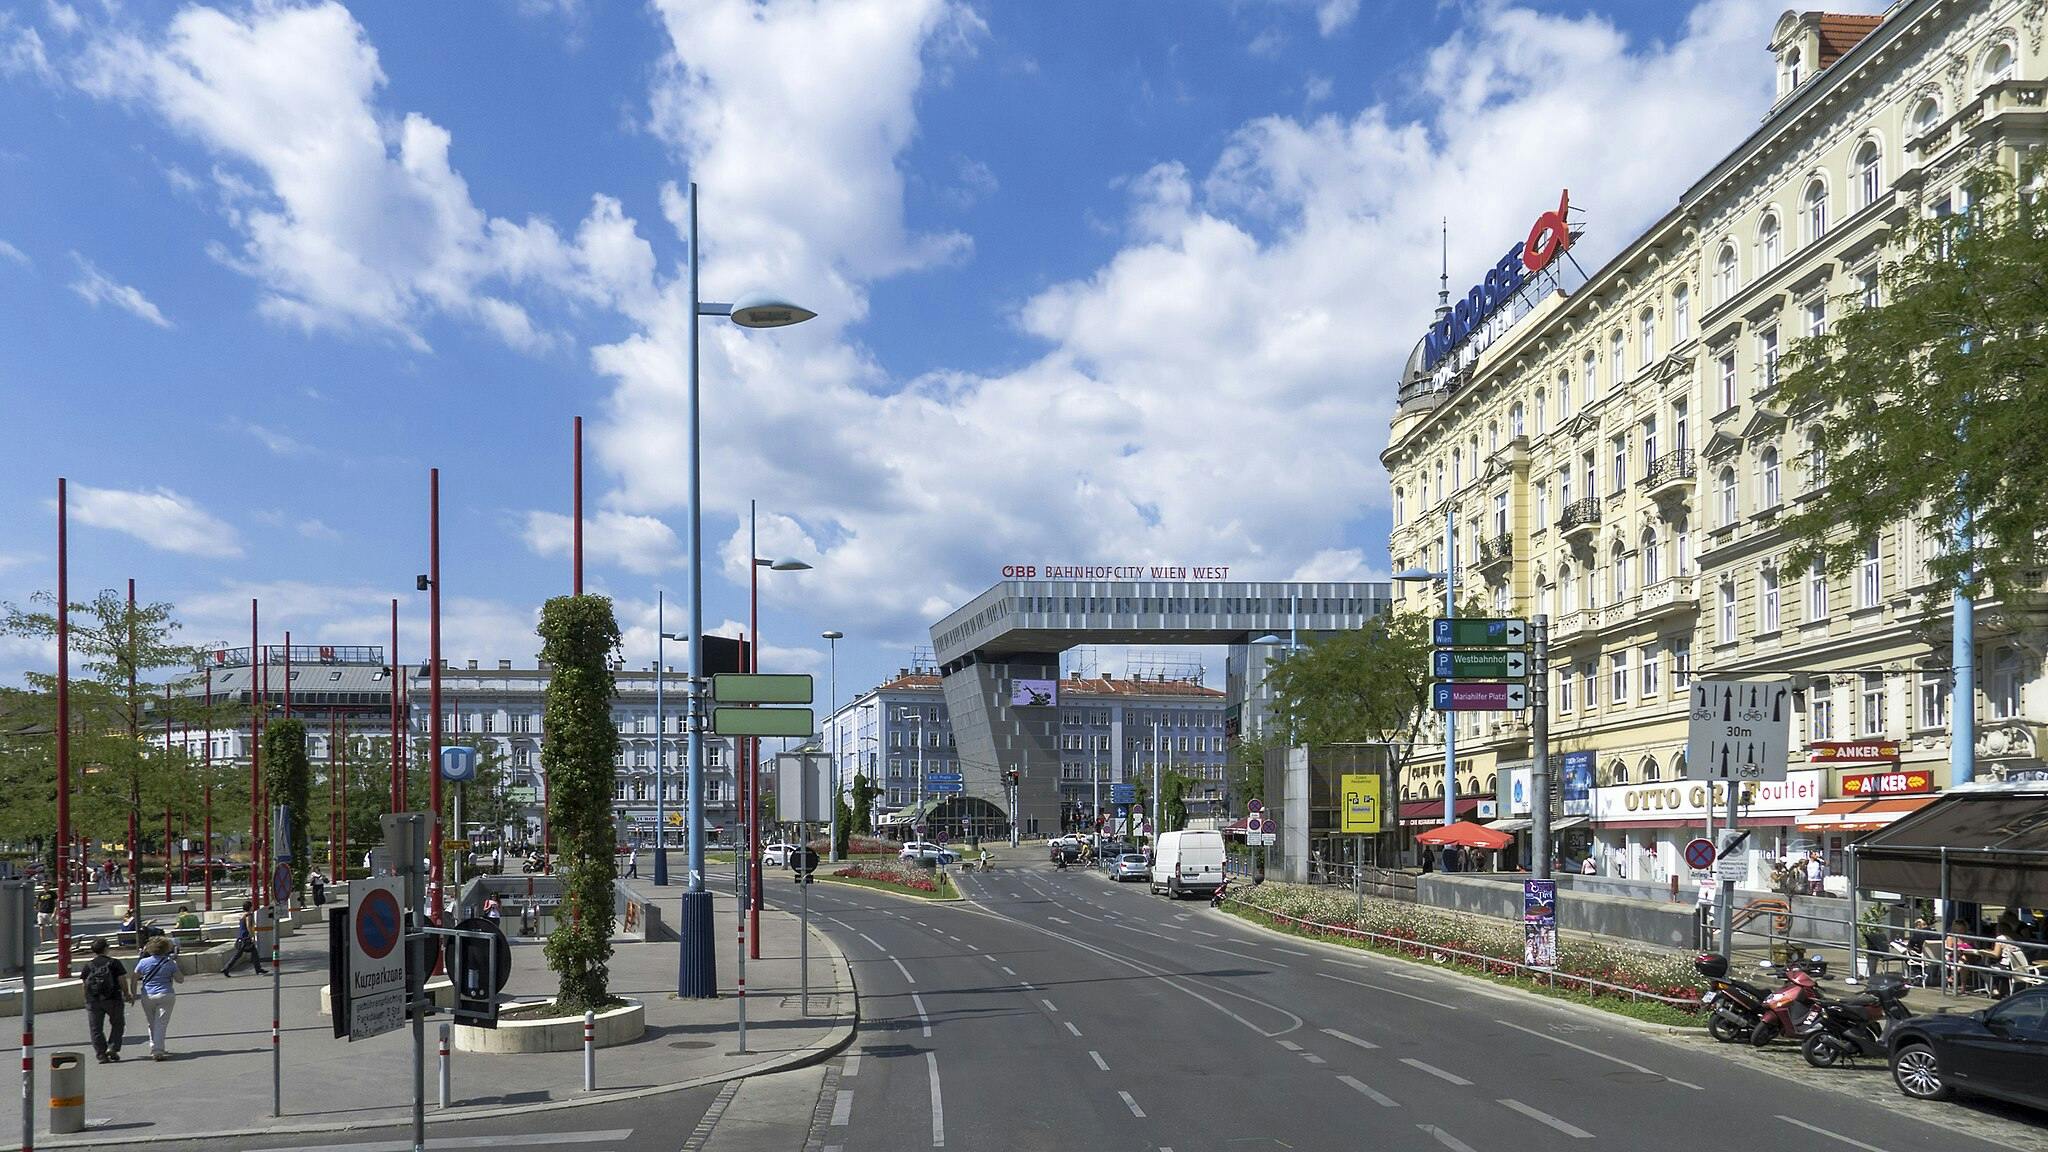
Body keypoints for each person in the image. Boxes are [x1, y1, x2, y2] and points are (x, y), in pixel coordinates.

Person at [131, 935, 183, 1061]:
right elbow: (180, 979)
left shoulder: (143, 962)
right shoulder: (170, 962)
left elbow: (134, 978)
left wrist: (133, 994)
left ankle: (154, 1045)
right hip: (166, 994)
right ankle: (158, 1050)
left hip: (147, 995)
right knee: (161, 1023)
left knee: (152, 1022)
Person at [81, 937, 131, 1064]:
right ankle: (112, 1047)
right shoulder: (114, 963)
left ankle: (101, 1055)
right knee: (118, 1023)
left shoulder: (88, 965)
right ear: (106, 948)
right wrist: (127, 993)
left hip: (93, 1000)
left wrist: (86, 999)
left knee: (96, 1028)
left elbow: (84, 984)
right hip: (113, 998)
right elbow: (122, 980)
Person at [221, 900, 267, 976]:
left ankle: (258, 969)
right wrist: (252, 936)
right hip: (246, 938)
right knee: (239, 955)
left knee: (251, 953)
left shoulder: (243, 915)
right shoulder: (248, 915)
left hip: (241, 938)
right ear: (250, 907)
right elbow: (249, 926)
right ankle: (226, 968)